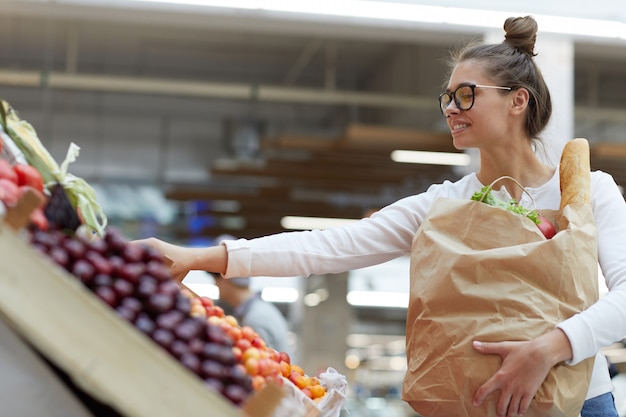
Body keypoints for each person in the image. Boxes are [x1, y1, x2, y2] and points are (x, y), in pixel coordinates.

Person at [135, 16, 626, 417]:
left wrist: (551, 347)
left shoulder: (585, 193)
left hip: (575, 402)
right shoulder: (443, 206)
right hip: (469, 404)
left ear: (518, 100)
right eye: (448, 97)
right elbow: (329, 247)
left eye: (467, 94)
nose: (452, 108)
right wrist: (197, 256)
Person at [207, 238, 292, 356]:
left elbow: (263, 365)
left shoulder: (256, 318)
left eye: (215, 278)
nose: (215, 284)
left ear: (225, 276)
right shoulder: (260, 310)